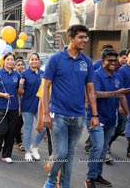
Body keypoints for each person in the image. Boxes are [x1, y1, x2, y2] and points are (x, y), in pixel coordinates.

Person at [42, 24, 99, 188]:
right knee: (60, 153)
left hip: (79, 116)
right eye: (81, 37)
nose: (85, 40)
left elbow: (90, 89)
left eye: (86, 37)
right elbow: (45, 86)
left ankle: (65, 185)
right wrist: (46, 113)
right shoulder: (56, 59)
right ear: (71, 39)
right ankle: (51, 181)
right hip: (58, 114)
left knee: (70, 154)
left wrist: (94, 115)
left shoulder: (87, 61)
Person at [85, 48, 130, 188]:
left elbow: (121, 95)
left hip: (111, 119)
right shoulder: (95, 75)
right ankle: (89, 178)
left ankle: (97, 175)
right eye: (109, 61)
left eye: (115, 61)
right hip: (96, 118)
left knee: (103, 149)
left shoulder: (118, 76)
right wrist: (116, 92)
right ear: (102, 61)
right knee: (98, 148)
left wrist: (128, 114)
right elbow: (95, 94)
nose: (113, 63)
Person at [0, 52, 22, 164]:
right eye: (8, 59)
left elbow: (19, 92)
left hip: (14, 106)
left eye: (12, 59)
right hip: (1, 105)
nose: (10, 61)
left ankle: (6, 154)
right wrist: (3, 95)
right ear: (4, 61)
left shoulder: (17, 75)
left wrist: (21, 85)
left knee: (12, 131)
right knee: (3, 129)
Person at [20, 53, 46, 161]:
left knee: (44, 128)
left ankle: (34, 146)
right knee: (28, 129)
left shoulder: (43, 73)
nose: (34, 61)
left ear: (39, 61)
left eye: (36, 59)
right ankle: (27, 151)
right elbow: (20, 92)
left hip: (40, 105)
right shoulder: (24, 74)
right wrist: (21, 85)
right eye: (32, 59)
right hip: (27, 105)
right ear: (28, 61)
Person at [13, 58, 25, 152]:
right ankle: (19, 141)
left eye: (22, 64)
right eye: (18, 65)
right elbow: (17, 92)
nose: (20, 66)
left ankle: (14, 136)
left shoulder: (25, 75)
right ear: (15, 66)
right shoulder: (15, 76)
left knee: (21, 122)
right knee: (18, 121)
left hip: (26, 101)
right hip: (16, 101)